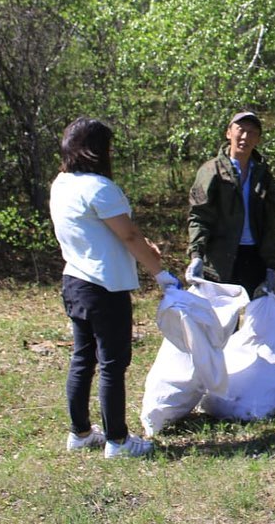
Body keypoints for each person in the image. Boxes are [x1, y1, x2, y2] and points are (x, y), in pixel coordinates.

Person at [49, 117, 182, 459]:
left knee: (83, 358)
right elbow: (129, 235)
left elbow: (106, 233)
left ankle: (80, 432)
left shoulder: (61, 184)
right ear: (98, 150)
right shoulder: (99, 187)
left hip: (74, 281)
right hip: (104, 287)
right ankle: (118, 441)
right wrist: (161, 274)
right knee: (112, 363)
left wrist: (141, 246)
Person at [185, 110, 275, 392]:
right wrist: (196, 255)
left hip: (253, 256)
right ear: (229, 133)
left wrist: (270, 265)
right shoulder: (211, 170)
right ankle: (220, 384)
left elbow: (271, 224)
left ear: (258, 139)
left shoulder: (263, 175)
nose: (245, 136)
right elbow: (199, 216)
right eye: (240, 130)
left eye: (252, 132)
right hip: (221, 259)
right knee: (225, 323)